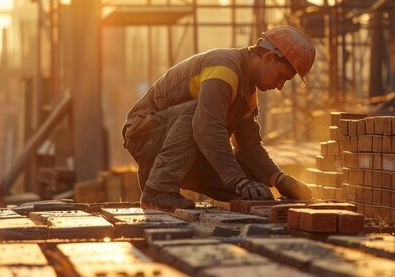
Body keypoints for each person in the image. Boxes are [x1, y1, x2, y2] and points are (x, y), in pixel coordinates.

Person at [122, 25, 316, 211]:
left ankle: (163, 189)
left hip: (184, 145)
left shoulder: (247, 92)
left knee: (254, 190)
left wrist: (278, 179)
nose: (280, 86)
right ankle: (158, 190)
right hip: (145, 133)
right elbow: (206, 127)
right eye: (281, 76)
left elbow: (249, 147)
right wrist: (236, 179)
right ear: (269, 57)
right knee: (202, 113)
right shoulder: (224, 67)